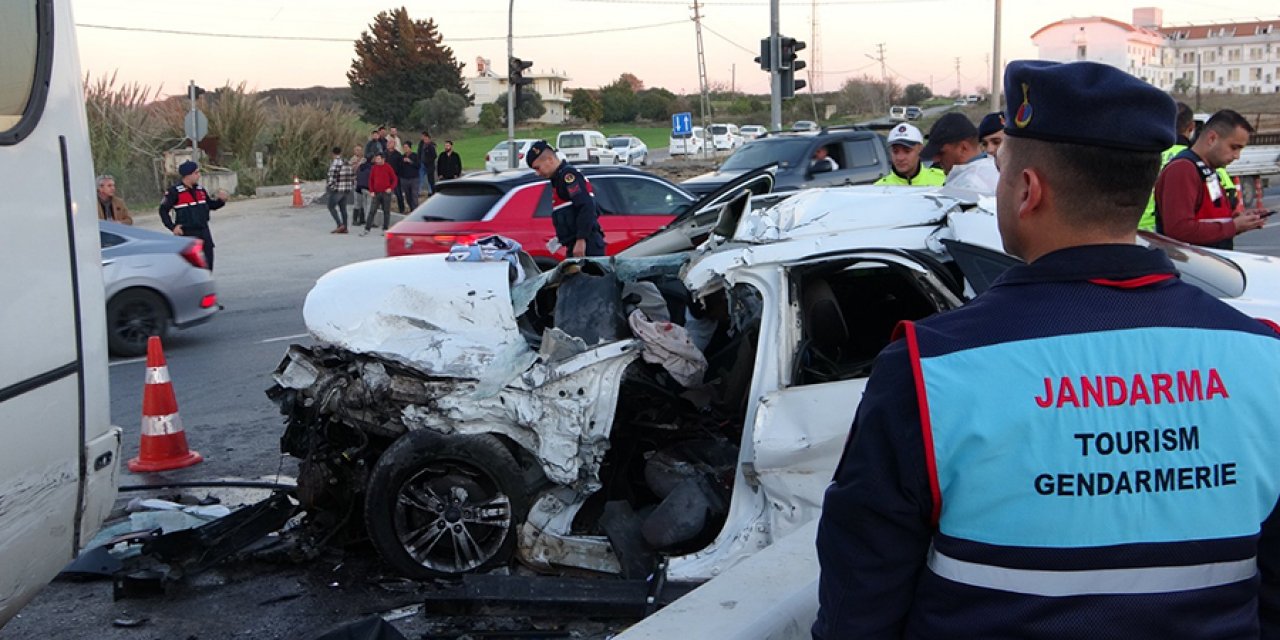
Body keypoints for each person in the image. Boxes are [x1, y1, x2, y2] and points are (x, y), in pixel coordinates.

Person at [814, 59, 1280, 639]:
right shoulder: (1265, 362)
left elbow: (861, 598)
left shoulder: (931, 369)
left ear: (1028, 190)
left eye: (1002, 167)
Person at [1153, 109, 1265, 250]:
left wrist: (1239, 218)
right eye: (1234, 147)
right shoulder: (1183, 169)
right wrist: (1233, 226)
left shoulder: (1207, 171)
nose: (1237, 156)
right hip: (1193, 267)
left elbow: (1211, 215)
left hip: (1209, 264)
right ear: (1212, 138)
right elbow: (1179, 229)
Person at [526, 140, 605, 257]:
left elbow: (586, 206)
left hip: (587, 245)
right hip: (575, 243)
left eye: (538, 168)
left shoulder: (568, 176)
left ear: (550, 160)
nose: (537, 173)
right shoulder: (557, 180)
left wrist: (581, 240)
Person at [159, 161, 226, 270]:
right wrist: (172, 227)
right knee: (190, 268)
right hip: (187, 233)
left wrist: (221, 201)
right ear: (188, 175)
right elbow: (163, 210)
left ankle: (205, 285)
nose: (199, 175)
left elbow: (210, 205)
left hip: (204, 232)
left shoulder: (200, 190)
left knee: (208, 264)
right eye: (196, 173)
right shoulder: (174, 192)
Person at [1139, 101, 1195, 232]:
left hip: (1133, 229)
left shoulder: (1144, 154)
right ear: (1191, 126)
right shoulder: (1196, 160)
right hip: (1169, 233)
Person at [920, 112, 999, 194]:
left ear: (963, 148)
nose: (935, 159)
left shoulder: (968, 185)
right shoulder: (994, 172)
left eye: (941, 153)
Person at [874, 123, 946, 187]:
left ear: (920, 149)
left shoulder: (942, 181)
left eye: (907, 151)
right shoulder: (879, 189)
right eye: (895, 151)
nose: (900, 158)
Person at [361, 152, 397, 236]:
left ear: (383, 159)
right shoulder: (374, 168)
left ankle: (385, 229)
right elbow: (371, 180)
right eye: (376, 159)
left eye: (378, 159)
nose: (376, 160)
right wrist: (371, 191)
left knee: (386, 211)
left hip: (386, 192)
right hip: (376, 193)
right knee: (372, 211)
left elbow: (394, 179)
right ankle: (367, 229)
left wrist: (391, 188)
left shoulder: (388, 167)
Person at [325, 146, 353, 233]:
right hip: (346, 189)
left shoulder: (335, 163)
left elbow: (331, 176)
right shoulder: (346, 162)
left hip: (337, 190)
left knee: (331, 206)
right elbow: (352, 175)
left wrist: (331, 187)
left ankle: (339, 224)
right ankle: (345, 227)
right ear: (340, 152)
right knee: (343, 208)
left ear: (333, 153)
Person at [395, 141, 421, 212]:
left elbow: (418, 166)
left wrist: (410, 161)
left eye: (406, 147)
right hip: (404, 179)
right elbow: (399, 168)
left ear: (410, 148)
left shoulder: (415, 156)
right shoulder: (402, 157)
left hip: (414, 179)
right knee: (408, 196)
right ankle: (411, 208)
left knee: (414, 195)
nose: (405, 149)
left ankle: (415, 210)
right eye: (404, 148)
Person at [353, 146, 371, 228]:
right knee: (357, 202)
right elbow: (353, 169)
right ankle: (354, 219)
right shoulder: (352, 159)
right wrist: (357, 164)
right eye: (357, 150)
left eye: (360, 150)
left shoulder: (364, 159)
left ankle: (362, 219)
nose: (358, 151)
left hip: (363, 183)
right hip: (356, 182)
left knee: (363, 202)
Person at [417, 131, 437, 197]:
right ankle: (419, 192)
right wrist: (419, 160)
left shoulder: (431, 146)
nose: (423, 138)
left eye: (424, 137)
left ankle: (431, 192)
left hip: (429, 165)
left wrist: (428, 161)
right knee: (420, 178)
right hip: (422, 163)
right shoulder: (421, 144)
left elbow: (434, 156)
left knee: (430, 179)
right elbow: (419, 152)